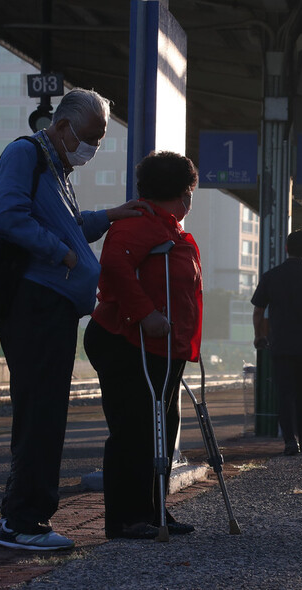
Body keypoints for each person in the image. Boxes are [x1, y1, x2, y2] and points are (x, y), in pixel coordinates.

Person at [0, 88, 150, 550]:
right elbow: (9, 218)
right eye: (89, 137)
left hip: (55, 306)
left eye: (98, 139)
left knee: (48, 411)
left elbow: (71, 225)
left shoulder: (56, 167)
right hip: (34, 302)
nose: (92, 148)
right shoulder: (25, 154)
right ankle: (21, 520)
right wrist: (61, 254)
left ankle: (27, 515)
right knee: (40, 412)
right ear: (61, 127)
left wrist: (111, 216)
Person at [84, 151, 202, 540]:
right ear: (186, 193)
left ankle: (154, 512)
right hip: (127, 341)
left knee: (162, 428)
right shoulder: (140, 224)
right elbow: (115, 267)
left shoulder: (167, 227)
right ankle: (126, 519)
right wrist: (146, 313)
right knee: (134, 430)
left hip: (161, 349)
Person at [251, 230, 302, 456]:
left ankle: (290, 440)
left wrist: (258, 335)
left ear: (286, 249)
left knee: (285, 393)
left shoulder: (271, 276)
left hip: (281, 345)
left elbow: (258, 310)